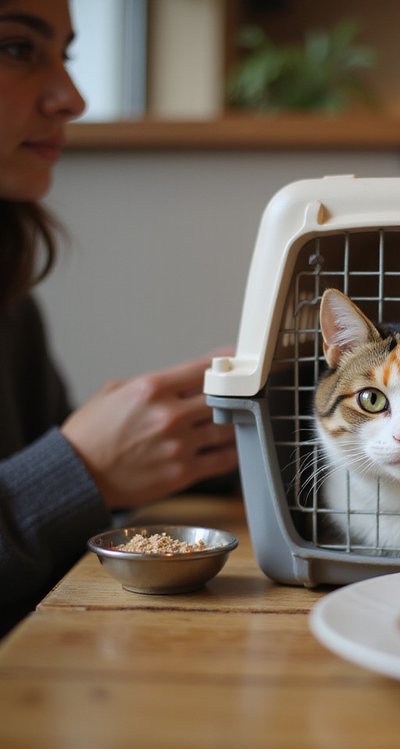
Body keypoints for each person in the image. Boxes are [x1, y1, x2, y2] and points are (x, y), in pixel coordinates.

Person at [0, 0, 238, 635]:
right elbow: (63, 476)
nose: (73, 98)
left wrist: (242, 434)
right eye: (18, 48)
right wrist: (78, 468)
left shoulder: (11, 299)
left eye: (66, 54)